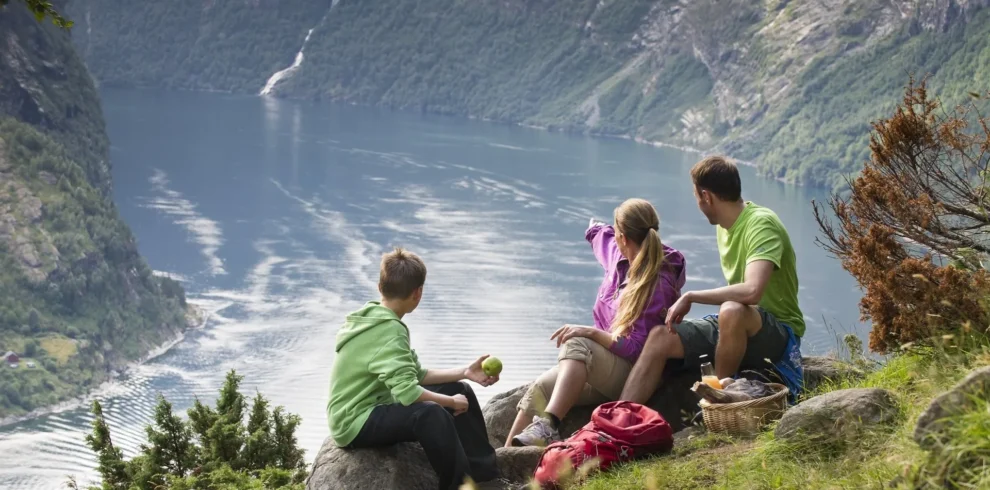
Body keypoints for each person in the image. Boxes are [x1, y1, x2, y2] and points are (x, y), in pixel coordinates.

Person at [619, 156, 805, 405]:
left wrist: (691, 296)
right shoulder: (725, 226)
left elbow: (752, 292)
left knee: (731, 309)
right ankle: (617, 419)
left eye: (697, 197)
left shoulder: (761, 224)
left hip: (777, 332)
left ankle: (719, 401)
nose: (697, 203)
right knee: (660, 336)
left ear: (706, 197)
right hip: (737, 325)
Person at [506, 198, 686, 447]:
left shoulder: (658, 284)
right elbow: (597, 232)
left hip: (633, 373)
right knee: (540, 389)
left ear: (623, 238)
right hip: (604, 366)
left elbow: (636, 349)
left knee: (578, 341)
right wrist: (597, 228)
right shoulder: (616, 254)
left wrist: (591, 333)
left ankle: (549, 425)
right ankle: (504, 460)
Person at [326, 247, 501, 490]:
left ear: (380, 287)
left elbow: (416, 375)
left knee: (459, 388)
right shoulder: (389, 330)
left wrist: (465, 372)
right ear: (418, 293)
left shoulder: (375, 317)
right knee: (431, 413)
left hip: (376, 404)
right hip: (354, 420)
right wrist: (450, 403)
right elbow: (409, 393)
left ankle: (487, 478)